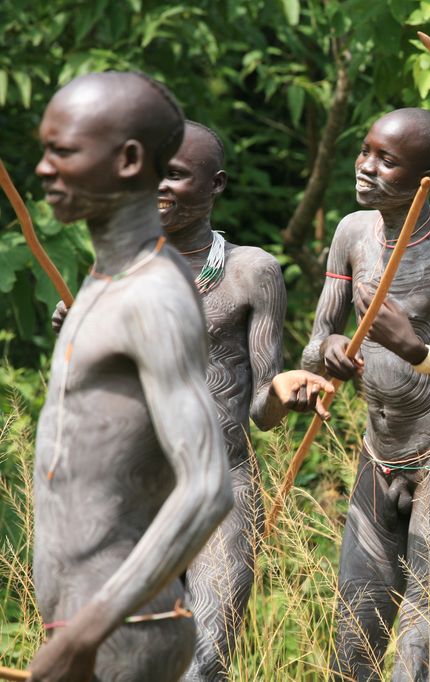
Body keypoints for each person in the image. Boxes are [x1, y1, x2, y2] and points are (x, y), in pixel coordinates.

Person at [51, 120, 334, 681]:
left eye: (175, 175)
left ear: (216, 184)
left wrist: (281, 393)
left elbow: (260, 409)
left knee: (204, 664)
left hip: (221, 489)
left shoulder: (251, 273)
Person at [28, 71, 233, 681]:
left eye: (61, 151)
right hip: (92, 630)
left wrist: (85, 635)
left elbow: (206, 487)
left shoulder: (154, 296)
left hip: (124, 635)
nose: (43, 170)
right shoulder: (106, 279)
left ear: (129, 160)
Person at [300, 108, 430, 681]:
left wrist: (419, 352)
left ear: (426, 179)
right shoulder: (350, 233)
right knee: (353, 647)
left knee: (416, 649)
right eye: (365, 152)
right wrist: (334, 349)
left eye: (386, 161)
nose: (365, 168)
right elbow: (314, 347)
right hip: (378, 454)